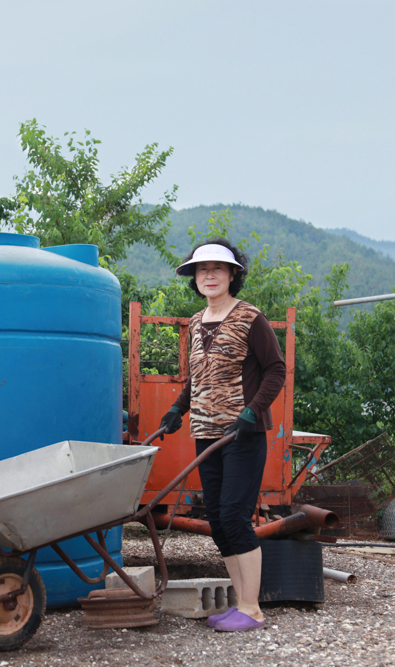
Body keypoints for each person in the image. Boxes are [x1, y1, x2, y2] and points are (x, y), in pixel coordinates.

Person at [158, 238, 286, 632]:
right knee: (216, 517)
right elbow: (197, 377)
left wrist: (252, 412)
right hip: (206, 434)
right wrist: (178, 409)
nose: (209, 275)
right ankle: (241, 603)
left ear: (233, 274)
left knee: (234, 515)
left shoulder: (250, 318)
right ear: (194, 278)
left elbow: (275, 370)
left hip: (242, 434)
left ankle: (253, 609)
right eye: (201, 269)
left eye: (217, 268)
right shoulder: (196, 322)